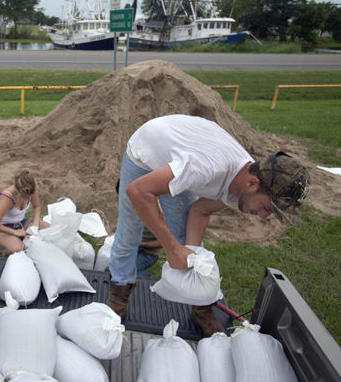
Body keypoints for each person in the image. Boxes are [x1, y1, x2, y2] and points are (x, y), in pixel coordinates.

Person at [106, 114, 311, 337]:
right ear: (253, 184)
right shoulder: (207, 168)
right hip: (145, 152)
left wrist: (192, 255)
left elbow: (200, 210)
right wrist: (172, 249)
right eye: (267, 208)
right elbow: (138, 191)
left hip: (181, 154)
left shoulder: (243, 183)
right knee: (129, 233)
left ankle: (200, 306)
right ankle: (119, 295)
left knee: (187, 239)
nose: (262, 216)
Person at [0, 170, 50, 257]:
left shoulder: (31, 191)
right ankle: (6, 253)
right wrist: (14, 232)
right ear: (18, 191)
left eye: (29, 197)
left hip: (21, 223)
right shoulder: (7, 198)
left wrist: (35, 224)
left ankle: (19, 239)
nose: (27, 199)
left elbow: (36, 206)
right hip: (3, 228)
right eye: (25, 197)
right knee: (17, 249)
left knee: (50, 230)